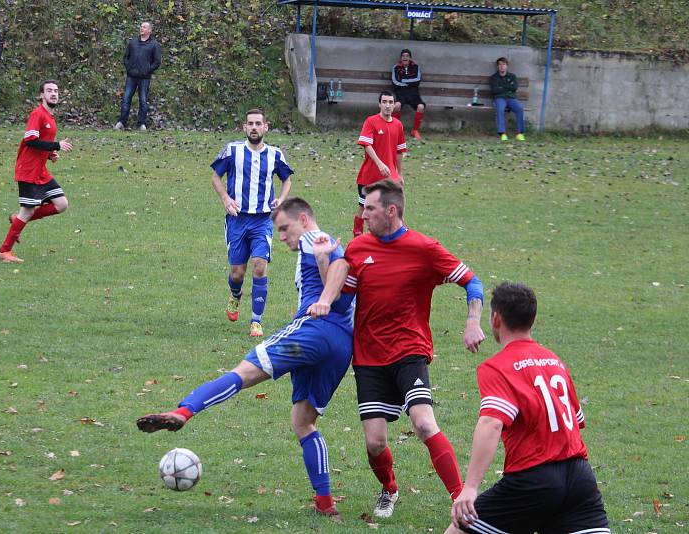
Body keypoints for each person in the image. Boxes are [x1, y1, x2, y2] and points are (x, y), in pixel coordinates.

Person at [137, 198, 354, 518]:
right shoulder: (320, 246)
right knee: (303, 422)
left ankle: (184, 411)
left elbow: (339, 265)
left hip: (313, 330)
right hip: (341, 345)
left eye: (284, 228)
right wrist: (326, 282)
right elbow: (340, 276)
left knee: (243, 373)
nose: (281, 237)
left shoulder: (315, 238)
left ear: (304, 219)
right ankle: (326, 505)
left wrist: (322, 299)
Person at [308, 179, 485, 519]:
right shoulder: (359, 248)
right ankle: (389, 489)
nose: (364, 214)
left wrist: (473, 321)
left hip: (409, 350)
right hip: (369, 355)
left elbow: (471, 281)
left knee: (423, 424)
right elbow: (343, 300)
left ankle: (461, 499)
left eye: (370, 209)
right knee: (375, 442)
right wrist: (322, 262)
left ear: (391, 210)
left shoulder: (424, 248)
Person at [448, 282, 609, 534]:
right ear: (532, 319)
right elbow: (576, 420)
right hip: (580, 480)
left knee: (459, 529)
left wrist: (469, 487)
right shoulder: (555, 361)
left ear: (495, 318)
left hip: (533, 481)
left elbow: (491, 423)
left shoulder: (497, 366)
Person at [210, 108, 293, 337]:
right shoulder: (232, 150)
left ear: (266, 127)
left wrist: (281, 199)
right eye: (250, 124)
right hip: (237, 220)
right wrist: (226, 199)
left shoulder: (275, 155)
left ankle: (256, 321)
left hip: (262, 220)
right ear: (244, 128)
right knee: (237, 272)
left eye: (258, 123)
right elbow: (215, 176)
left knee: (259, 265)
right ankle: (235, 295)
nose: (254, 127)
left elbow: (287, 180)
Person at [0, 80, 73, 263]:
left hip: (41, 171)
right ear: (41, 95)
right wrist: (57, 145)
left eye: (56, 91)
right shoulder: (37, 114)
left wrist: (49, 154)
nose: (53, 94)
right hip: (28, 172)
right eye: (49, 91)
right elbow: (30, 140)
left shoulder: (50, 117)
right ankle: (4, 251)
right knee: (27, 211)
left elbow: (39, 143)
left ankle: (17, 220)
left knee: (61, 204)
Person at [352, 91, 406, 238]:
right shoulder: (371, 121)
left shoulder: (398, 125)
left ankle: (399, 237)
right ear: (379, 104)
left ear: (394, 105)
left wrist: (399, 173)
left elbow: (399, 151)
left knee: (394, 207)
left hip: (390, 178)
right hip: (369, 176)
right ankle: (357, 234)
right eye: (384, 102)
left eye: (390, 102)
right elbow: (367, 145)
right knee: (363, 207)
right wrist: (380, 163)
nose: (387, 105)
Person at [113, 22, 162, 131]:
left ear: (149, 30)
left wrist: (147, 70)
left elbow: (157, 62)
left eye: (144, 27)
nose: (141, 28)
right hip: (131, 76)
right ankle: (121, 122)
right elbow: (126, 57)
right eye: (141, 27)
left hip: (144, 78)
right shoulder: (133, 43)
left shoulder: (154, 45)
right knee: (126, 99)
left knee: (143, 100)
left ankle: (141, 123)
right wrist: (129, 68)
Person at [391, 49, 426, 140]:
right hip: (401, 93)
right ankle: (397, 130)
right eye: (403, 56)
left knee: (421, 107)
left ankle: (415, 130)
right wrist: (409, 82)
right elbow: (395, 82)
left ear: (410, 58)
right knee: (396, 105)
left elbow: (417, 80)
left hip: (414, 93)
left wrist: (403, 80)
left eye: (407, 56)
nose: (405, 58)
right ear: (401, 58)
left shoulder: (415, 67)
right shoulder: (396, 67)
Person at [490, 57, 526, 142]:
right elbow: (495, 90)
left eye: (504, 64)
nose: (502, 66)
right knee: (500, 109)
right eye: (500, 64)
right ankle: (503, 133)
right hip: (499, 99)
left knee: (520, 108)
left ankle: (519, 133)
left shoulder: (512, 76)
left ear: (507, 66)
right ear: (497, 66)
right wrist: (508, 87)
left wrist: (502, 87)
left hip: (511, 98)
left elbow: (514, 87)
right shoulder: (494, 77)